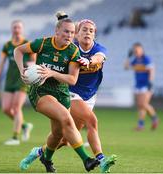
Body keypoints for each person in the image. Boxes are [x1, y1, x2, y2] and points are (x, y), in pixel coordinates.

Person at [14, 12, 99, 173]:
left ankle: (46, 158)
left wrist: (52, 73)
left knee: (57, 134)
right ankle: (87, 159)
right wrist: (21, 71)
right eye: (66, 32)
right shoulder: (43, 43)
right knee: (67, 118)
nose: (69, 35)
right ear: (57, 32)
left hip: (61, 93)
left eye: (72, 32)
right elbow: (18, 50)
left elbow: (72, 80)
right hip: (41, 92)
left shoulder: (73, 51)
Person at [56, 14, 117, 173]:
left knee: (65, 139)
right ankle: (101, 159)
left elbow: (98, 58)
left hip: (89, 96)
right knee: (92, 121)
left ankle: (40, 152)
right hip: (70, 92)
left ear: (94, 34)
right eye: (84, 30)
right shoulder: (71, 48)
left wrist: (88, 61)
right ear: (77, 33)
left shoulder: (99, 49)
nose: (88, 33)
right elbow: (56, 42)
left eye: (91, 30)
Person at [0, 20, 34, 145]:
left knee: (16, 107)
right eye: (14, 27)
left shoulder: (27, 44)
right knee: (5, 109)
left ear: (22, 29)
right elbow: (1, 63)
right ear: (11, 29)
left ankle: (15, 137)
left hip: (22, 79)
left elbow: (34, 61)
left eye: (19, 27)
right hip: (9, 79)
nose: (16, 29)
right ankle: (25, 126)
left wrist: (29, 69)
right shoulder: (7, 45)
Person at [124, 43, 159, 131]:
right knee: (140, 106)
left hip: (146, 84)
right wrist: (128, 57)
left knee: (143, 104)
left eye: (137, 49)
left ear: (141, 50)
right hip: (138, 85)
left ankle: (154, 118)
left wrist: (150, 82)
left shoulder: (146, 59)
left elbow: (151, 70)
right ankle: (141, 125)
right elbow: (126, 67)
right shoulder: (135, 59)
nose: (136, 51)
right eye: (134, 50)